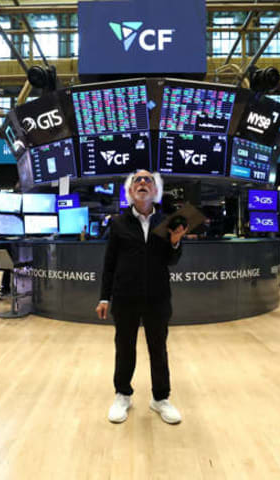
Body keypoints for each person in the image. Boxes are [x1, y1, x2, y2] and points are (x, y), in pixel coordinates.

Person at [95, 170, 187, 425]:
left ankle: (160, 398)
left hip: (158, 297)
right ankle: (122, 395)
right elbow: (109, 264)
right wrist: (104, 298)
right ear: (130, 191)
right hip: (125, 297)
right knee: (125, 348)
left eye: (149, 180)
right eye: (138, 180)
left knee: (158, 349)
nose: (143, 182)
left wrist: (175, 242)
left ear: (155, 191)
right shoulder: (118, 223)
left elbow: (172, 261)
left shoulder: (167, 221)